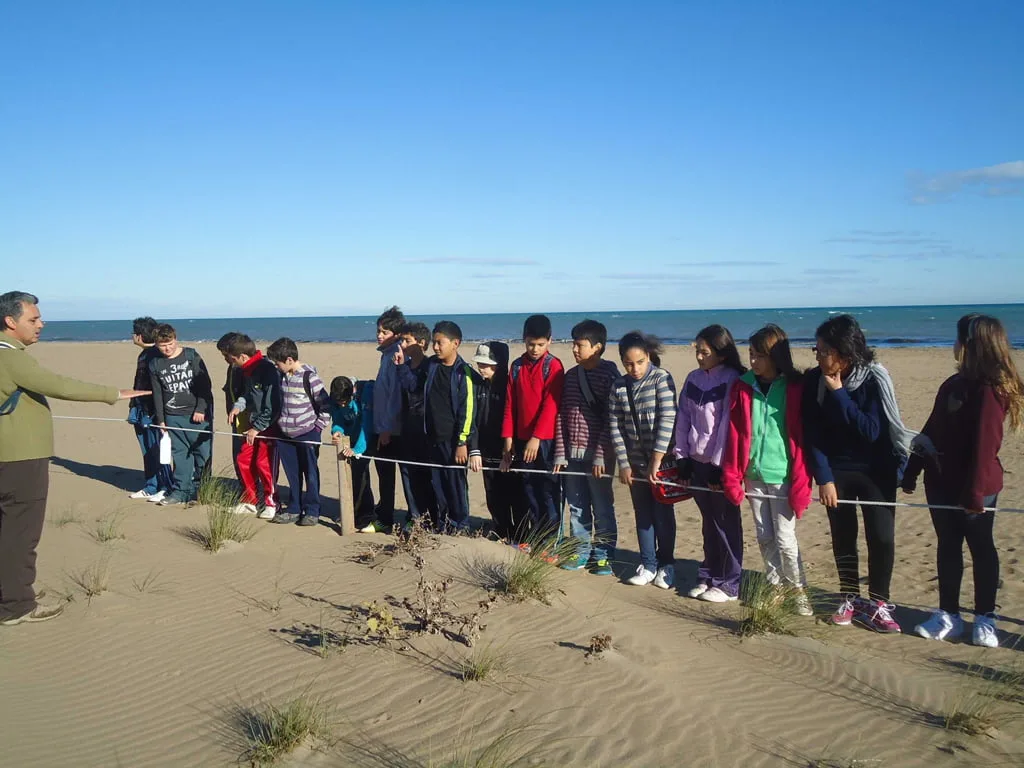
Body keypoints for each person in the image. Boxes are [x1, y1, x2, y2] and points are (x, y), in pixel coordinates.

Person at [0, 291, 147, 626]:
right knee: (20, 533)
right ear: (10, 322)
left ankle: (11, 592)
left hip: (10, 455)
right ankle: (16, 605)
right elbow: (59, 385)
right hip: (20, 457)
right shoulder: (10, 356)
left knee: (8, 529)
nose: (41, 324)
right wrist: (113, 394)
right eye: (33, 320)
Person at [802, 314, 927, 634]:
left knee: (881, 538)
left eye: (823, 351)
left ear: (845, 353)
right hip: (838, 470)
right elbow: (813, 435)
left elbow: (872, 430)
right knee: (844, 537)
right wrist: (825, 478)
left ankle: (879, 604)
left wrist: (840, 394)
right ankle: (849, 597)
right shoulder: (814, 381)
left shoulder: (874, 378)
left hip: (877, 468)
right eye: (816, 350)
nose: (817, 356)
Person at [904, 314, 1023, 648]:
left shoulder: (989, 390)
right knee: (947, 546)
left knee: (981, 547)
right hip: (940, 483)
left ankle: (985, 618)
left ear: (971, 345)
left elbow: (986, 446)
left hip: (977, 487)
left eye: (958, 339)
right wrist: (912, 469)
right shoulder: (951, 385)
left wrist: (975, 493)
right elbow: (931, 429)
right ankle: (949, 615)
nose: (953, 345)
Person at [721, 324, 813, 616]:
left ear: (776, 356)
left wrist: (802, 476)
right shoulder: (744, 385)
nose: (753, 361)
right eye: (750, 354)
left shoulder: (795, 387)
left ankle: (797, 589)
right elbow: (736, 431)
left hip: (783, 474)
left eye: (759, 355)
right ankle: (773, 586)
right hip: (753, 473)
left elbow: (800, 433)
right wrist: (734, 470)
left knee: (785, 537)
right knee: (763, 535)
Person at [675, 325, 746, 602]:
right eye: (698, 351)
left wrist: (720, 465)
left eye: (705, 352)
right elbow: (683, 418)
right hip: (696, 461)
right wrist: (682, 457)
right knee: (708, 522)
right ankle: (709, 573)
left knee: (726, 523)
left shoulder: (732, 379)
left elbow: (728, 426)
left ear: (721, 352)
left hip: (721, 465)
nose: (700, 356)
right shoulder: (693, 378)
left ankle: (729, 582)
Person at [609, 331, 678, 588]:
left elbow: (668, 420)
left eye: (640, 362)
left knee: (663, 512)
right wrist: (624, 464)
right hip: (635, 464)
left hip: (661, 464)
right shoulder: (618, 386)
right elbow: (615, 426)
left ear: (648, 357)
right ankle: (648, 564)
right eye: (629, 363)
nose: (635, 368)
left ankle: (666, 564)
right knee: (643, 514)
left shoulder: (661, 379)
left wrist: (657, 460)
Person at [396, 321, 479, 533]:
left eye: (440, 343)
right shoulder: (431, 365)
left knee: (455, 486)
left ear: (455, 343)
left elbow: (467, 412)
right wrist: (402, 367)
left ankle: (461, 525)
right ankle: (443, 524)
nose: (436, 347)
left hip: (453, 442)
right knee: (438, 485)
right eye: (434, 343)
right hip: (431, 438)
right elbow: (413, 385)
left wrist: (462, 442)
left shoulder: (463, 373)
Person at [553, 320, 619, 576]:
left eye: (580, 345)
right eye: (573, 344)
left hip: (598, 457)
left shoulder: (610, 376)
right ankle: (579, 550)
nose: (574, 349)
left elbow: (610, 419)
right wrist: (560, 451)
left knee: (602, 506)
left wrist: (601, 455)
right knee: (577, 505)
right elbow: (561, 415)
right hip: (572, 455)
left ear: (598, 347)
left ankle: (603, 553)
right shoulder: (571, 376)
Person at [501, 314, 565, 539]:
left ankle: (550, 539)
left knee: (547, 490)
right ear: (523, 340)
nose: (535, 349)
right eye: (530, 344)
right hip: (520, 438)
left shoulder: (553, 366)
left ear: (550, 341)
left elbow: (551, 406)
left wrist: (537, 438)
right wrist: (508, 439)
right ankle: (535, 535)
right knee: (528, 489)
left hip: (544, 441)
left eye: (540, 344)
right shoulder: (517, 366)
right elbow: (510, 405)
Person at [266, 337, 331, 526]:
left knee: (310, 473)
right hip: (285, 435)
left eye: (277, 363)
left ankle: (312, 510)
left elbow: (325, 405)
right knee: (292, 474)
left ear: (288, 360)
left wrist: (318, 428)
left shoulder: (309, 377)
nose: (276, 367)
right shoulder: (282, 376)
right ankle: (294, 508)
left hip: (308, 433)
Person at [148, 324, 215, 506]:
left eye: (169, 343)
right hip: (172, 416)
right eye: (162, 345)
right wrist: (161, 420)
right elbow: (158, 394)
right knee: (180, 454)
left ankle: (202, 490)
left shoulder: (191, 355)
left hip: (197, 415)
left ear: (175, 339)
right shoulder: (155, 363)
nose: (167, 348)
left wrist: (201, 408)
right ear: (156, 344)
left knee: (202, 454)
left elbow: (205, 385)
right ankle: (181, 491)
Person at [471, 341, 524, 542]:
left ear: (499, 364)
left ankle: (519, 534)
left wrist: (509, 451)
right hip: (486, 450)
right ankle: (501, 528)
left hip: (508, 450)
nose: (481, 368)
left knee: (515, 494)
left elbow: (513, 420)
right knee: (493, 493)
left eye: (486, 364)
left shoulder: (510, 387)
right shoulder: (478, 386)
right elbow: (474, 419)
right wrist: (474, 449)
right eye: (479, 364)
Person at [225, 335, 282, 519]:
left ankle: (271, 502)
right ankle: (250, 500)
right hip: (252, 423)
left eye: (230, 358)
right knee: (244, 459)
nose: (229, 361)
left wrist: (257, 427)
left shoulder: (266, 369)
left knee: (263, 463)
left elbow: (273, 405)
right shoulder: (247, 370)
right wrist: (238, 406)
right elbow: (250, 394)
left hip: (268, 427)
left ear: (241, 356)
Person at [127, 316, 172, 503]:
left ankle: (165, 486)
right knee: (147, 449)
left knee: (158, 449)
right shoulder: (145, 355)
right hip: (140, 407)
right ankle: (151, 485)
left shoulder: (156, 355)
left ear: (139, 335)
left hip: (153, 411)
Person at [396, 322, 437, 527]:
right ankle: (415, 516)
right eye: (402, 340)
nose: (402, 344)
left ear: (421, 343)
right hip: (407, 429)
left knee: (426, 476)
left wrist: (402, 367)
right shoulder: (404, 365)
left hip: (424, 430)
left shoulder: (429, 367)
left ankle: (431, 517)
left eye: (407, 340)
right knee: (407, 474)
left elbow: (413, 387)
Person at [371, 305, 407, 532]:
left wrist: (386, 428)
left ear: (395, 334)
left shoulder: (396, 355)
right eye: (378, 330)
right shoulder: (386, 355)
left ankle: (386, 517)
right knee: (383, 472)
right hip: (382, 423)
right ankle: (384, 511)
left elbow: (395, 396)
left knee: (392, 473)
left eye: (384, 332)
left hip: (392, 429)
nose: (379, 335)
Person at [330, 376, 376, 531]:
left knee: (361, 477)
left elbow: (366, 425)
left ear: (352, 394)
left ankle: (366, 514)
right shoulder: (337, 400)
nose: (342, 405)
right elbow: (338, 419)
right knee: (351, 477)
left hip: (365, 441)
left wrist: (357, 450)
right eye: (339, 402)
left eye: (345, 402)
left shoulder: (363, 396)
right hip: (348, 442)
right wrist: (337, 431)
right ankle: (352, 512)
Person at [216, 332, 260, 496]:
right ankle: (246, 490)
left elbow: (251, 394)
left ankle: (254, 494)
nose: (225, 359)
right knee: (239, 456)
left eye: (226, 355)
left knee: (250, 458)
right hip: (237, 418)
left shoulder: (253, 368)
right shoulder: (233, 367)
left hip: (252, 420)